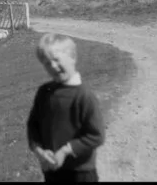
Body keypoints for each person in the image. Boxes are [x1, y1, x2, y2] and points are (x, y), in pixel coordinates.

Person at [27, 33, 105, 183]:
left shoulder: (84, 96)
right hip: (52, 169)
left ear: (72, 58)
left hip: (81, 172)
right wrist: (39, 150)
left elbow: (96, 135)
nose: (53, 66)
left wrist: (65, 150)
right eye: (46, 63)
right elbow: (33, 125)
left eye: (56, 60)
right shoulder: (44, 92)